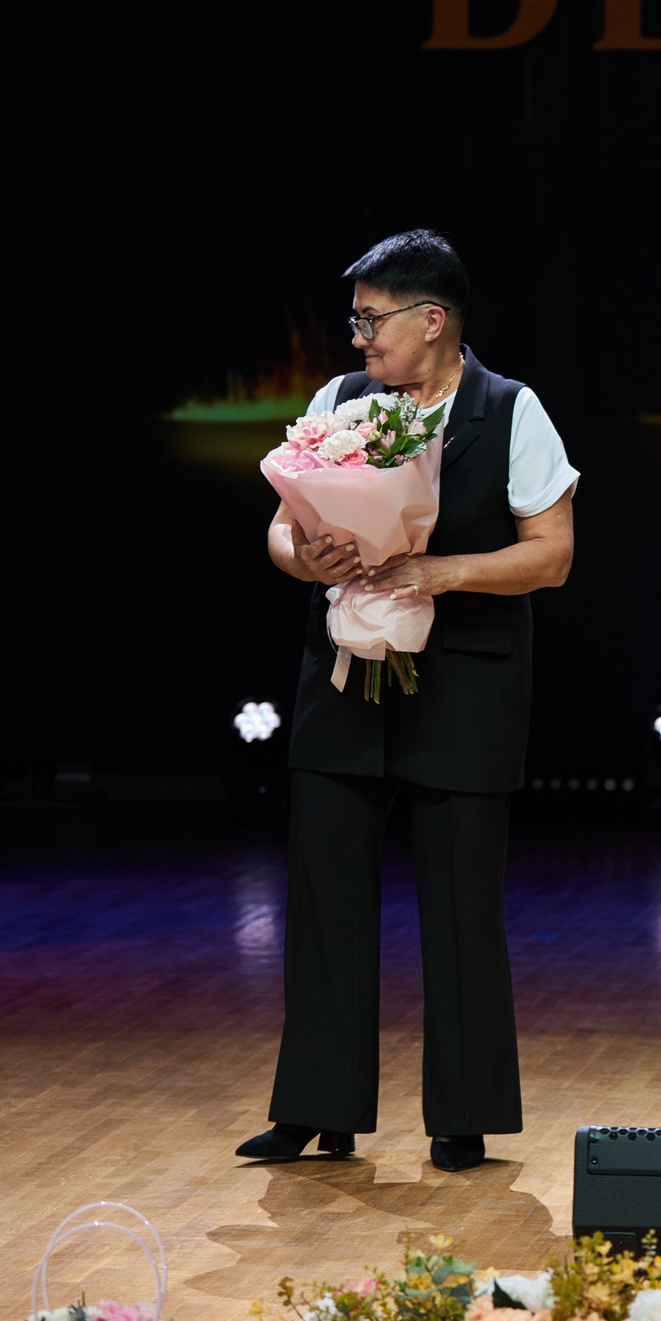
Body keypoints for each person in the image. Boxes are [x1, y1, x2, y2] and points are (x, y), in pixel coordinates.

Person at [235, 229, 579, 1172]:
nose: (359, 340)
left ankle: (462, 1115)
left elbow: (551, 554)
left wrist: (440, 570)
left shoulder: (511, 410)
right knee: (326, 895)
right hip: (345, 674)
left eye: (372, 319)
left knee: (462, 900)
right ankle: (318, 1107)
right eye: (355, 319)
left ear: (433, 321)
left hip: (462, 683)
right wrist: (308, 554)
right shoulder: (340, 403)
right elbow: (278, 530)